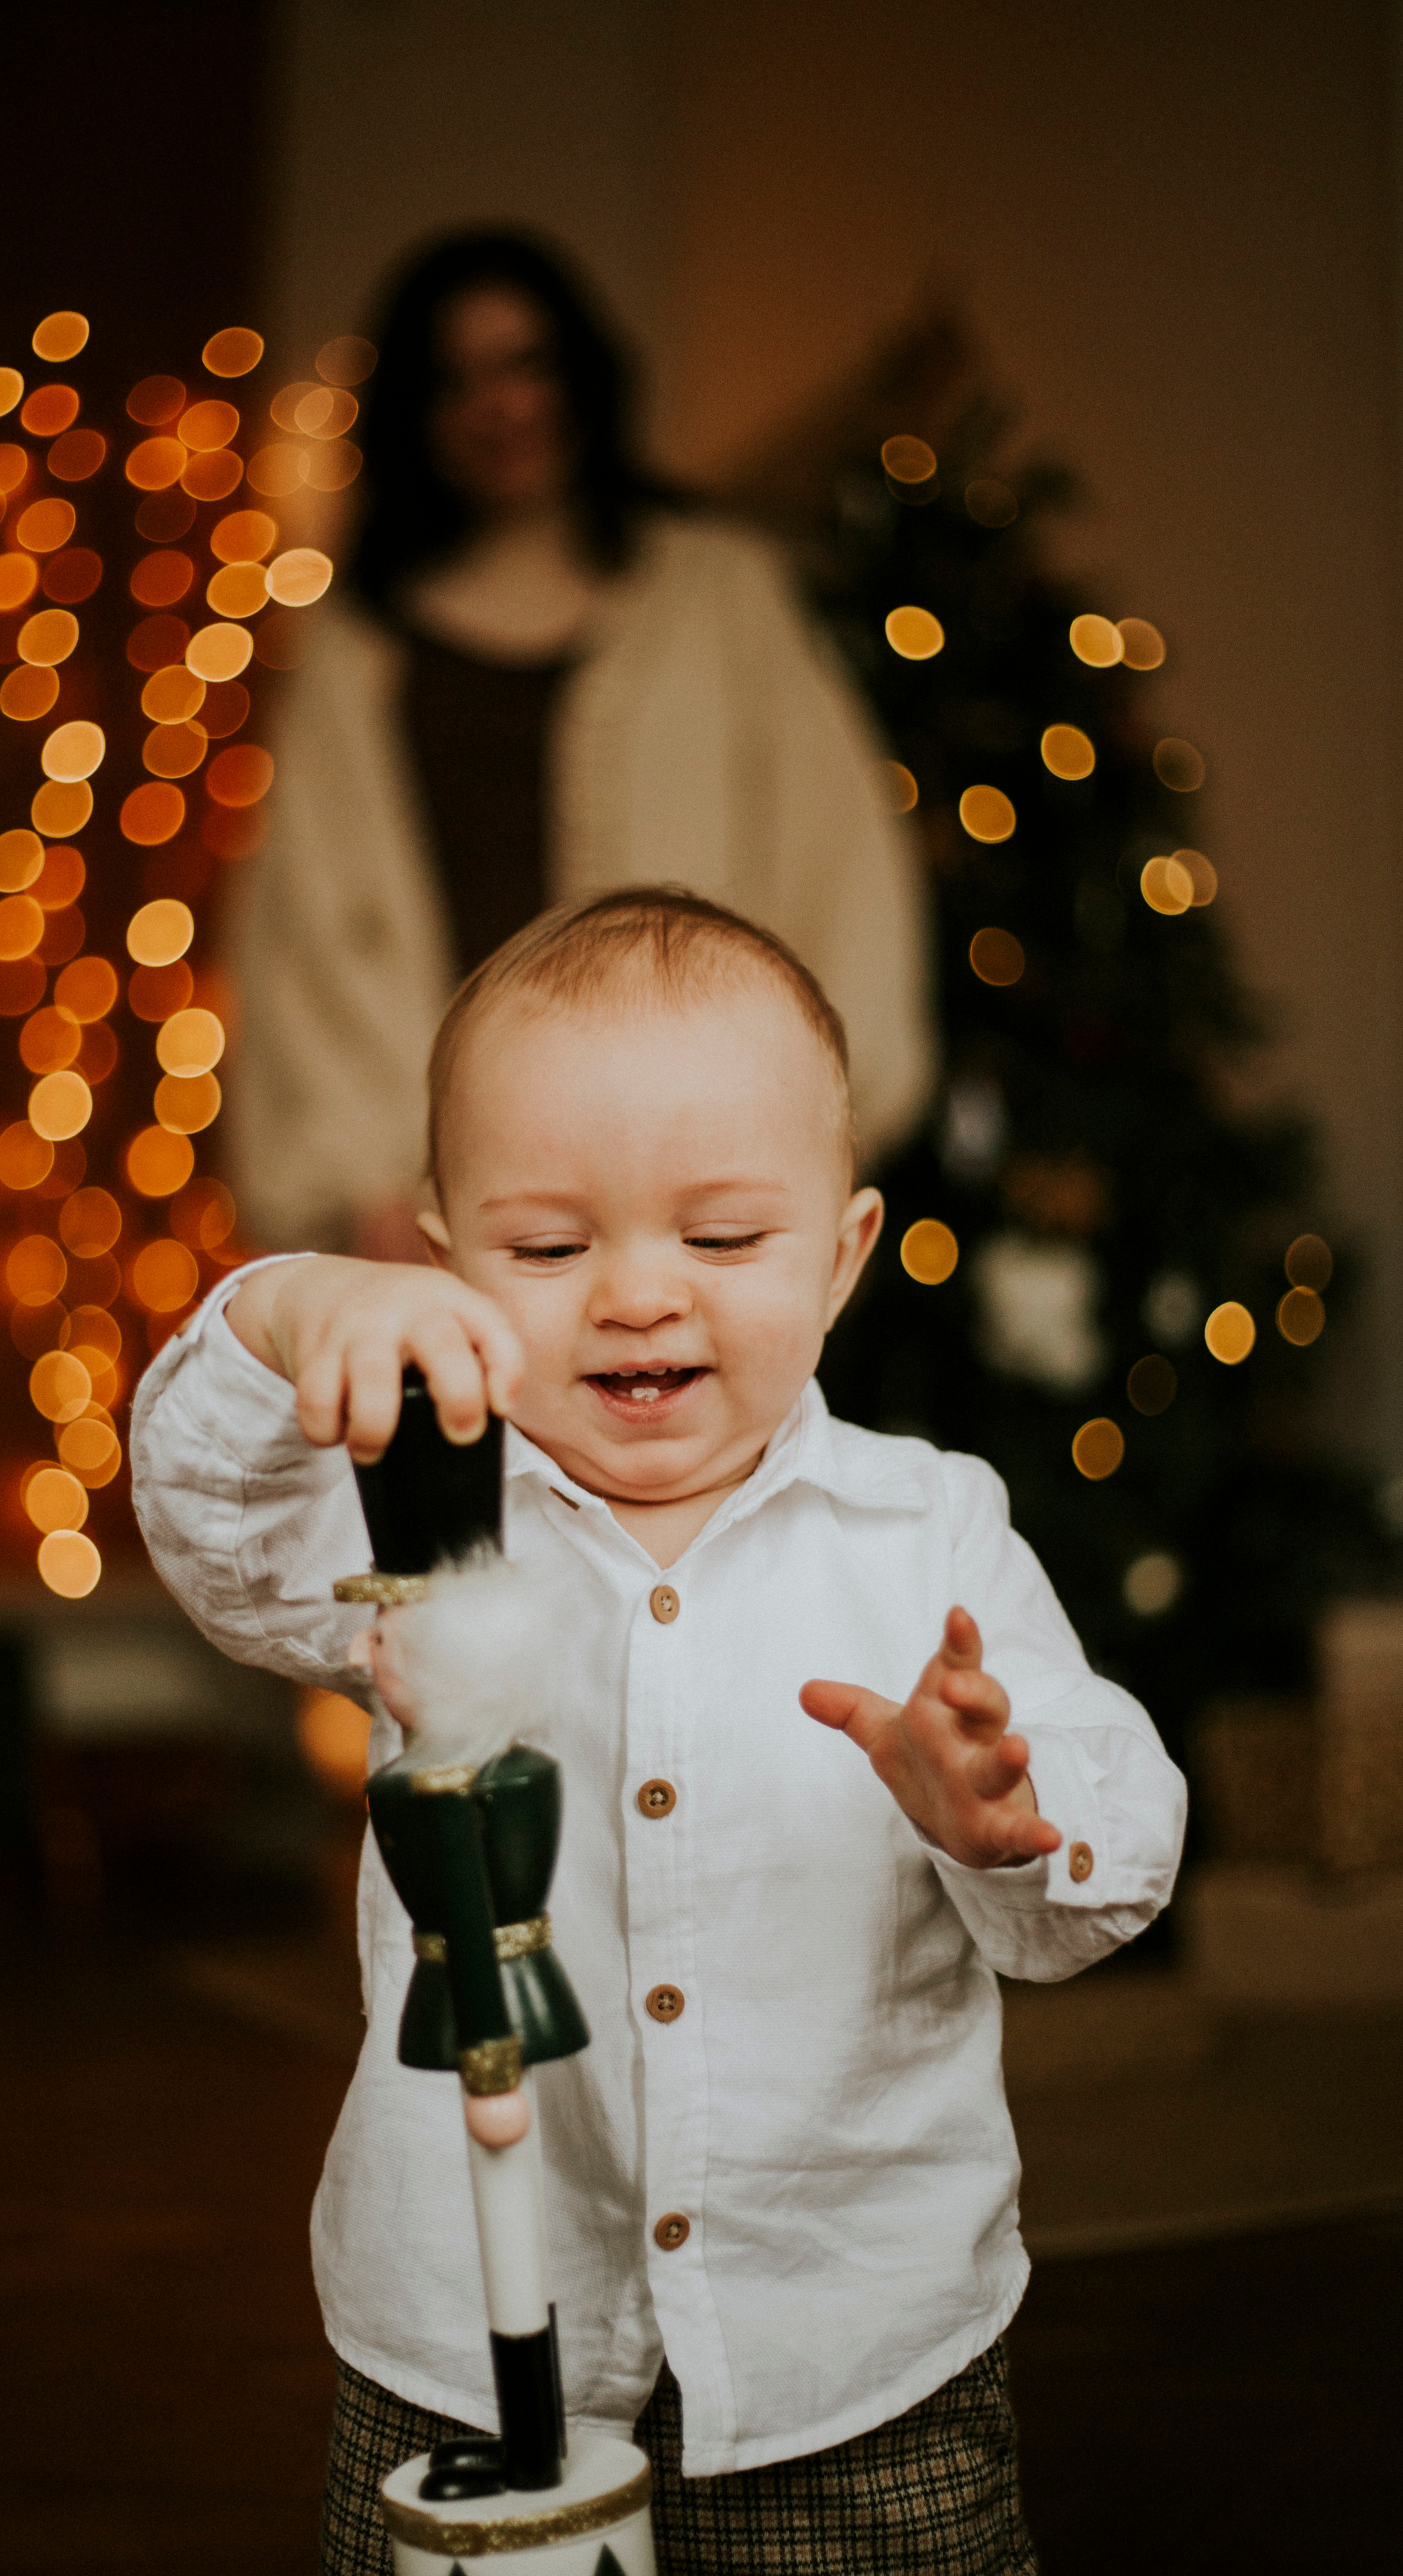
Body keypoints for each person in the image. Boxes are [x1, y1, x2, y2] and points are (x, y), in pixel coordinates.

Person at [133, 885, 1185, 2574]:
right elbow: (212, 1533)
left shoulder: (925, 1538)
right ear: (450, 1256)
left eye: (719, 1239)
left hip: (858, 2377)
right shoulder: (421, 1515)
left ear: (840, 1258)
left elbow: (1106, 1861)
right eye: (549, 1249)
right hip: (462, 2358)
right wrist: (285, 1314)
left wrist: (1004, 1811)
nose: (634, 1296)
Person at [226, 231, 935, 1258]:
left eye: (526, 363)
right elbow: (305, 934)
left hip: (704, 1184)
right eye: (457, 379)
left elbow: (844, 865)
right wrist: (367, 1185)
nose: (500, 406)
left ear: (582, 374)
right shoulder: (356, 642)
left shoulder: (726, 594)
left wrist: (805, 1126)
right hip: (430, 1216)